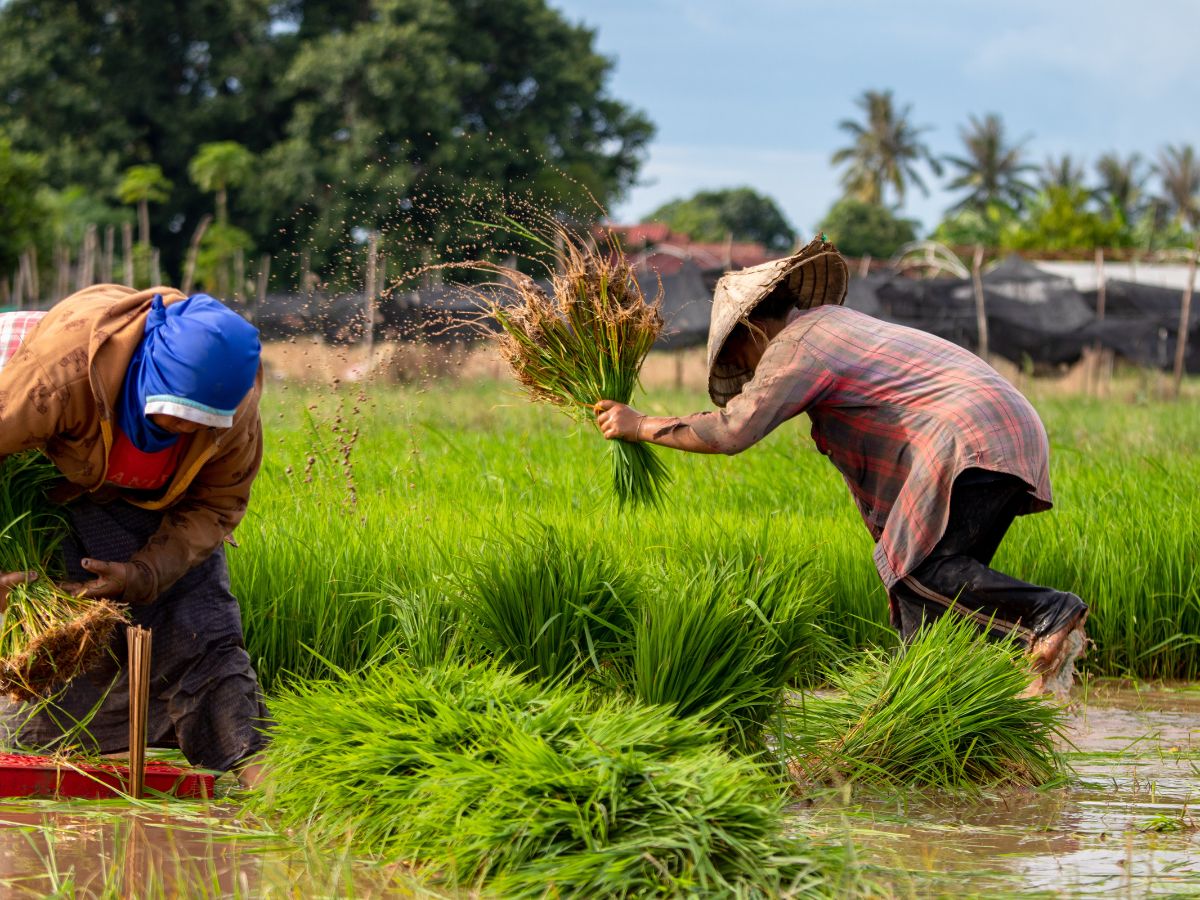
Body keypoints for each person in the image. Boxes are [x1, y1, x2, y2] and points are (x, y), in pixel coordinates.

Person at [595, 237, 1088, 696]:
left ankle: (1049, 611)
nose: (749, 370)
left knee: (922, 571)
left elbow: (732, 431)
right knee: (927, 607)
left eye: (740, 355)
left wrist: (640, 426)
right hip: (1003, 428)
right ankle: (936, 715)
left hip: (970, 435)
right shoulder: (835, 327)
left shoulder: (798, 346)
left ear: (749, 329)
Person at [0, 285, 269, 785]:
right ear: (147, 372)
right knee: (56, 645)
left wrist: (141, 573)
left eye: (196, 422)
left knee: (200, 625)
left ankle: (254, 765)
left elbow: (216, 505)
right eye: (168, 409)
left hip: (151, 501)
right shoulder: (58, 375)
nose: (176, 427)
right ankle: (55, 754)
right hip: (40, 465)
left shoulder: (234, 415)